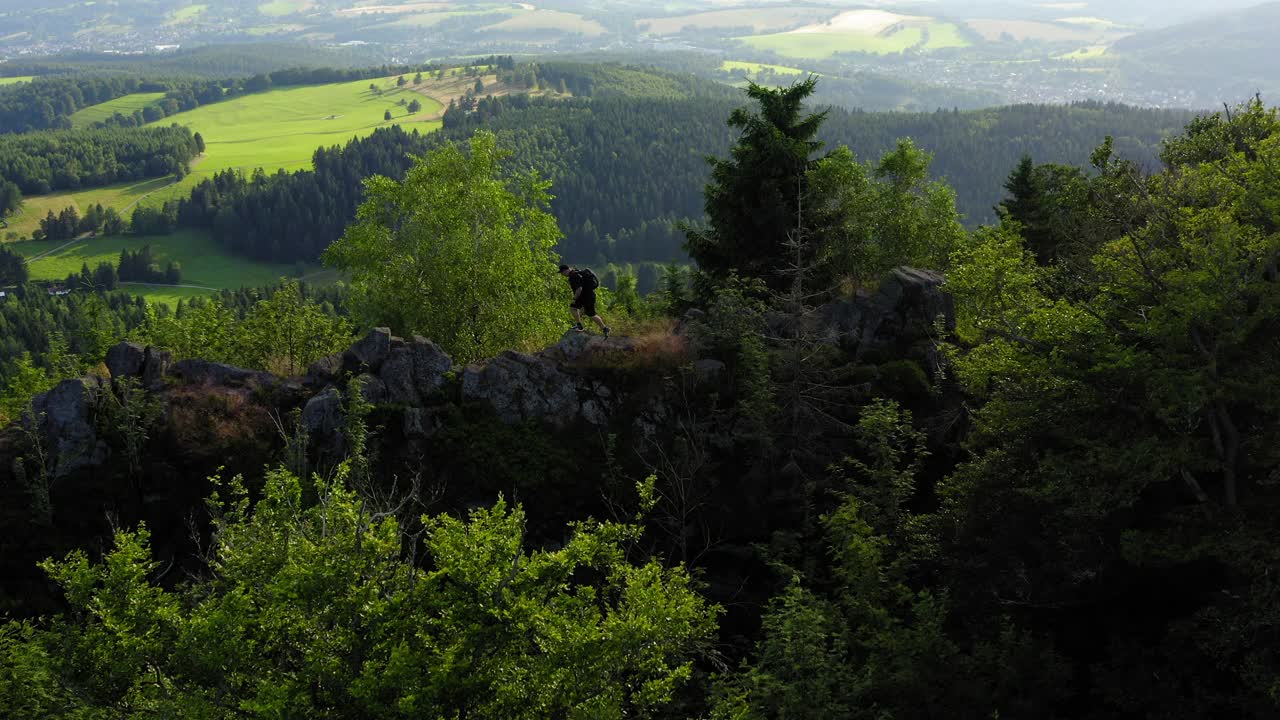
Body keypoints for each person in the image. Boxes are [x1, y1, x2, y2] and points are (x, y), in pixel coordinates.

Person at [559, 264, 610, 337]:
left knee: (590, 314)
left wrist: (574, 299)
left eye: (562, 272)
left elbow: (579, 289)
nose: (562, 274)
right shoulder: (576, 273)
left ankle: (604, 328)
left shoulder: (574, 276)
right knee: (575, 308)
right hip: (585, 296)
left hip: (587, 297)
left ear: (565, 270)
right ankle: (579, 325)